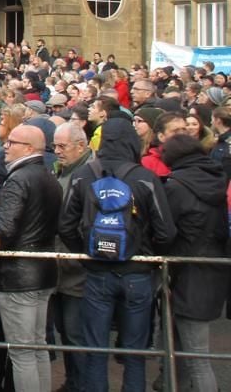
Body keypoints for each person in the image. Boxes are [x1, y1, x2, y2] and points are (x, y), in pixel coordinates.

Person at [58, 118, 176, 392]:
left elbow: (65, 225)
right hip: (138, 271)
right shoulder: (144, 177)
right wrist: (149, 254)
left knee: (95, 348)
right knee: (135, 352)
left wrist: (84, 251)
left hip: (97, 271)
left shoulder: (83, 175)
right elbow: (166, 230)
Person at [0, 124, 61, 392]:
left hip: (18, 276)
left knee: (22, 352)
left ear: (29, 148)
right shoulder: (48, 175)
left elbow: (4, 229)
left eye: (12, 142)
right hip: (42, 271)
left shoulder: (19, 179)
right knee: (37, 347)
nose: (6, 145)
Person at [160, 134, 229, 392]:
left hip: (188, 272)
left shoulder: (177, 186)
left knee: (197, 358)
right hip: (212, 267)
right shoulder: (216, 178)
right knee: (187, 351)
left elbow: (165, 230)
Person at [50, 122, 92, 392]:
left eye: (62, 146)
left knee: (77, 334)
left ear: (81, 146)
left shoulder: (89, 175)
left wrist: (78, 254)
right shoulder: (62, 172)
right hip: (60, 265)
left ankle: (82, 384)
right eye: (54, 146)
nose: (57, 151)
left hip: (77, 268)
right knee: (66, 332)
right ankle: (72, 381)